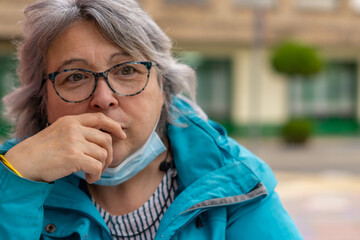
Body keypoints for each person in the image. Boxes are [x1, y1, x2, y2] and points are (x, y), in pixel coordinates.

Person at [0, 0, 302, 239]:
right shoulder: (10, 179)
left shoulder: (236, 183)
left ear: (163, 88)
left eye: (127, 70)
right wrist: (15, 183)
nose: (104, 98)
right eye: (75, 76)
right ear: (43, 101)